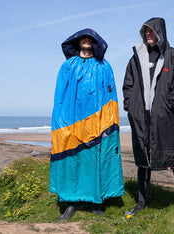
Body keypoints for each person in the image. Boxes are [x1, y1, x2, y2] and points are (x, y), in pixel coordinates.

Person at [50, 28, 124, 221]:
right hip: (72, 122)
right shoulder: (67, 67)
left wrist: (109, 122)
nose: (86, 41)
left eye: (90, 38)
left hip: (98, 123)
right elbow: (60, 98)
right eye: (83, 38)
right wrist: (61, 123)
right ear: (77, 42)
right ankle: (70, 202)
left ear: (95, 43)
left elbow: (111, 97)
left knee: (96, 159)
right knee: (71, 159)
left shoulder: (103, 66)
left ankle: (97, 201)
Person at [123, 18, 174, 218]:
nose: (149, 35)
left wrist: (167, 107)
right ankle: (141, 203)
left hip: (167, 120)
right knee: (143, 161)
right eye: (146, 32)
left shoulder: (173, 56)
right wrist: (131, 106)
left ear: (160, 33)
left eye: (152, 32)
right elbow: (128, 85)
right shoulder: (136, 59)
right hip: (142, 119)